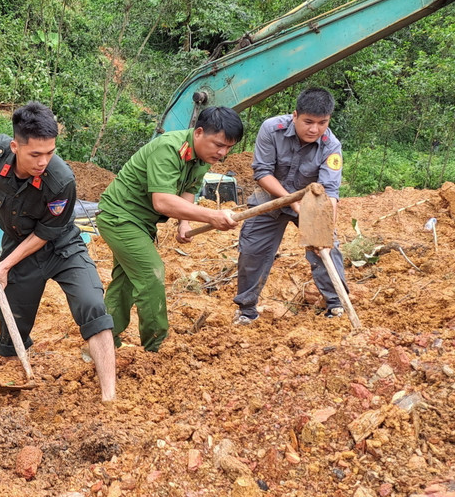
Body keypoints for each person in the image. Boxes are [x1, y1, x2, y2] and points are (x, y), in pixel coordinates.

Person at [0, 101, 116, 402]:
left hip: (62, 247)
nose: (44, 160)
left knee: (92, 304)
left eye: (50, 152)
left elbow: (46, 232)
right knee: (12, 322)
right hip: (18, 244)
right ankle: (13, 377)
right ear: (15, 146)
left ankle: (109, 395)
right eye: (35, 154)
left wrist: (5, 265)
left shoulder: (61, 180)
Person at [97, 106, 243, 351]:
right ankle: (157, 348)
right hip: (119, 217)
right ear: (198, 133)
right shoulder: (169, 148)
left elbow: (188, 190)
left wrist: (184, 223)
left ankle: (105, 340)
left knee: (125, 283)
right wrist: (212, 216)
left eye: (228, 147)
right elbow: (162, 201)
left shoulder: (202, 157)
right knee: (151, 275)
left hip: (141, 223)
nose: (223, 153)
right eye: (218, 144)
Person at [232, 87, 346, 325]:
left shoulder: (331, 146)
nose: (314, 129)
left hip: (311, 204)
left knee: (326, 249)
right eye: (308, 122)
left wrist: (325, 227)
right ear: (295, 116)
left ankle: (336, 305)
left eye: (322, 123)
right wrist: (293, 201)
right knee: (253, 251)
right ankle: (246, 310)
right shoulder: (271, 129)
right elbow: (262, 172)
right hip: (270, 196)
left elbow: (330, 192)